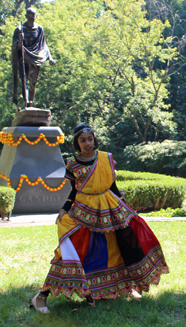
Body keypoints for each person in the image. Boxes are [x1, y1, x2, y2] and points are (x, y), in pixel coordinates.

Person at [31, 124, 169, 313]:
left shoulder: (106, 158)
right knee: (73, 251)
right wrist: (64, 209)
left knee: (116, 247)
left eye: (90, 139)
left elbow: (113, 186)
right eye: (82, 140)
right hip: (83, 211)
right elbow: (73, 192)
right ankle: (41, 296)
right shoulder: (72, 164)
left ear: (94, 139)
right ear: (76, 143)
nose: (87, 143)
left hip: (110, 208)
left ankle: (125, 287)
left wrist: (124, 206)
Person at [12, 7, 56, 107]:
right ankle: (27, 102)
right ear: (26, 17)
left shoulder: (39, 29)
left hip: (36, 57)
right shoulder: (19, 29)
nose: (32, 19)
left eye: (34, 17)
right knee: (24, 80)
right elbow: (14, 46)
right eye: (30, 17)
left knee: (33, 81)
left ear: (36, 16)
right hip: (23, 57)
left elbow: (44, 45)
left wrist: (50, 58)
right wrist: (19, 40)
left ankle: (31, 101)